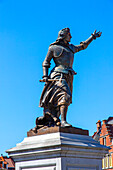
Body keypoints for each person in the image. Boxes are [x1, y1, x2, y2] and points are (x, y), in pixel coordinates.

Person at [39, 28, 102, 127]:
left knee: (66, 98)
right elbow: (46, 62)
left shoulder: (71, 48)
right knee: (65, 95)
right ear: (63, 36)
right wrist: (45, 75)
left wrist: (92, 37)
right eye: (69, 35)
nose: (71, 37)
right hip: (58, 75)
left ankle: (58, 118)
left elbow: (82, 46)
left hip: (69, 76)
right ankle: (63, 121)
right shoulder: (53, 48)